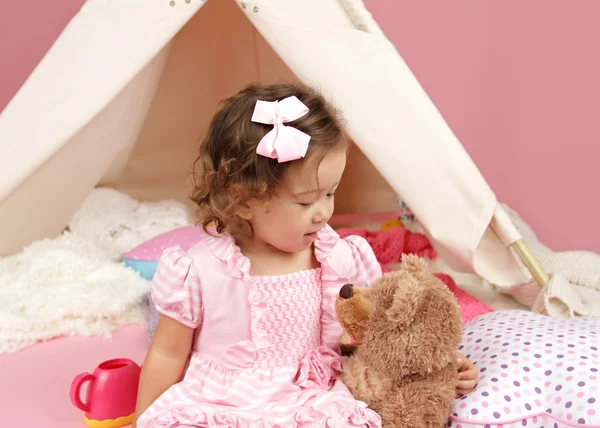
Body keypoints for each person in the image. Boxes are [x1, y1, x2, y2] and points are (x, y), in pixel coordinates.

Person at [133, 82, 478, 427]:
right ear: (245, 200)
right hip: (223, 405)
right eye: (305, 201)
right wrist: (144, 419)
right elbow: (167, 352)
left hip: (311, 400)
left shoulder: (335, 257)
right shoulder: (200, 269)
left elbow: (387, 326)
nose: (323, 212)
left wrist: (440, 363)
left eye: (330, 193)